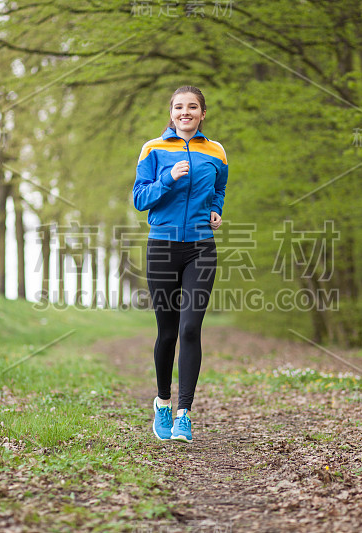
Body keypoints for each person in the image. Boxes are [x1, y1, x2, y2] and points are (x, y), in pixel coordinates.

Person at [132, 85, 228, 443]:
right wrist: (167, 180)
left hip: (201, 248)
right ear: (171, 113)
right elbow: (140, 198)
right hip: (162, 246)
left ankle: (185, 413)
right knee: (168, 332)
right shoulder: (153, 149)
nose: (184, 112)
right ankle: (162, 403)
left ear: (203, 113)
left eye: (192, 107)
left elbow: (218, 190)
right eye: (178, 107)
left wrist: (216, 211)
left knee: (190, 329)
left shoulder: (216, 151)